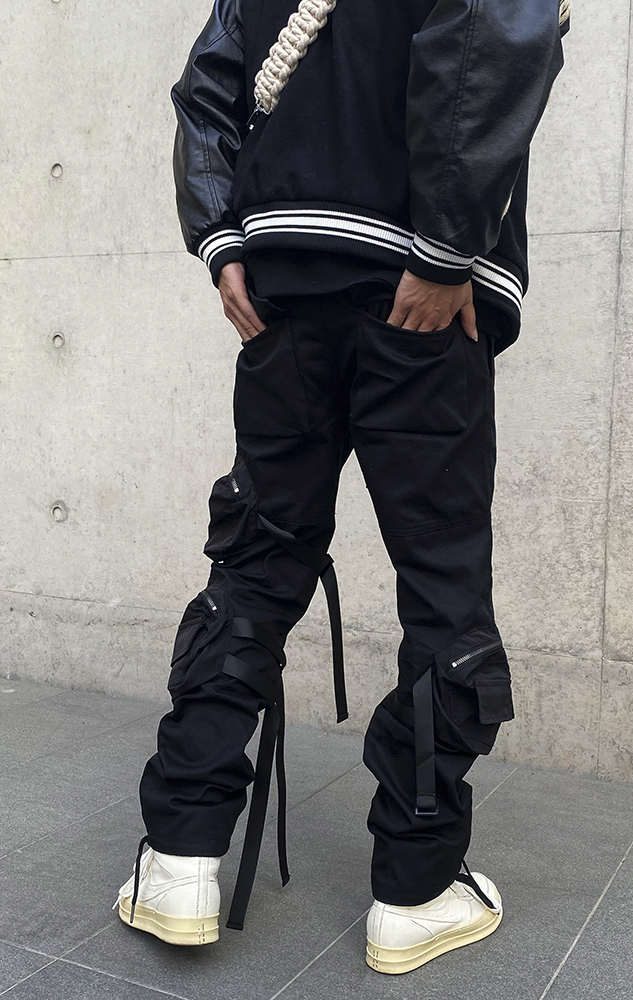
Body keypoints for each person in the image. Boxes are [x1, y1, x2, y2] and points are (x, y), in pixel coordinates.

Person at [113, 0, 569, 974]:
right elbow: (494, 33)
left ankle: (180, 856)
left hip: (285, 289)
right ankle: (415, 888)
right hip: (417, 289)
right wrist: (446, 248)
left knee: (255, 565)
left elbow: (210, 87)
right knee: (442, 586)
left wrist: (223, 238)